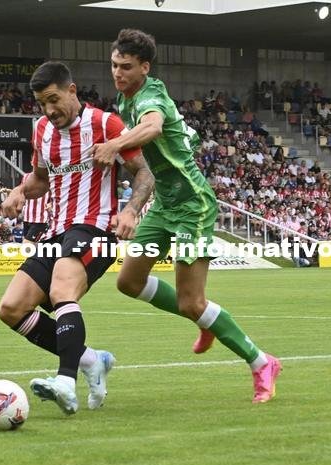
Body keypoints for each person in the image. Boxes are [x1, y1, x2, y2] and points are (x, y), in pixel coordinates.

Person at [91, 28, 281, 404]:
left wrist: (115, 144)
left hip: (193, 205)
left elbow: (154, 125)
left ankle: (261, 362)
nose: (118, 73)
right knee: (128, 282)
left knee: (191, 301)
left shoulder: (149, 95)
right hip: (165, 205)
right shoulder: (125, 99)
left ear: (145, 67)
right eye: (114, 65)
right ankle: (203, 317)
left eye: (126, 67)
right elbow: (175, 135)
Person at [0, 61, 154, 415]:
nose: (49, 110)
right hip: (58, 230)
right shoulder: (42, 130)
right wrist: (20, 191)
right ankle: (89, 360)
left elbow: (144, 174)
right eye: (41, 103)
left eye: (53, 99)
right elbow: (40, 180)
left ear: (72, 90)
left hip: (95, 228)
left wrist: (130, 210)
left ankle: (65, 382)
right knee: (11, 308)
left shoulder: (105, 124)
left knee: (61, 290)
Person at [20, 171, 50, 244]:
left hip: (40, 219)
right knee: (32, 246)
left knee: (27, 244)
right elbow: (21, 192)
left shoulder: (50, 177)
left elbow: (56, 193)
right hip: (27, 218)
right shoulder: (26, 176)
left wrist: (51, 203)